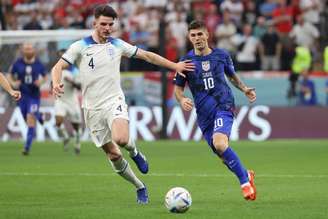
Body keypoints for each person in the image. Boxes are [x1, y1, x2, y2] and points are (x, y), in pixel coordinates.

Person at [51, 5, 194, 204]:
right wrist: (56, 81)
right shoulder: (80, 46)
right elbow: (58, 67)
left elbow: (148, 56)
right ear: (94, 24)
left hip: (114, 101)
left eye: (111, 24)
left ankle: (135, 152)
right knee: (113, 154)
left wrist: (175, 66)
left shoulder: (117, 45)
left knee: (121, 138)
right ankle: (140, 186)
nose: (107, 28)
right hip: (92, 109)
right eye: (103, 24)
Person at [173, 20, 257, 201]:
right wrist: (182, 99)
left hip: (223, 105)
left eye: (200, 34)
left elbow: (232, 76)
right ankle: (246, 174)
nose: (197, 38)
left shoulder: (221, 55)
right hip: (204, 114)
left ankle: (244, 183)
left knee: (220, 143)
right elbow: (178, 90)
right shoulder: (185, 62)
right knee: (221, 153)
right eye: (193, 35)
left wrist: (244, 89)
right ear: (189, 37)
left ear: (207, 35)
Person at [8, 43, 47, 155]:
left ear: (34, 50)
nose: (28, 51)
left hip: (34, 96)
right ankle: (39, 115)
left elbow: (45, 76)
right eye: (26, 49)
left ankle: (27, 147)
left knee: (30, 118)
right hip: (22, 96)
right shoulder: (18, 63)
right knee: (27, 118)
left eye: (30, 49)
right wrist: (13, 83)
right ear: (23, 51)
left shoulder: (38, 64)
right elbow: (9, 75)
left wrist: (41, 82)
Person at [53, 49, 82, 154]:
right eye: (60, 57)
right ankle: (65, 137)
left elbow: (80, 87)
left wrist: (72, 82)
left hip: (72, 101)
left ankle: (78, 142)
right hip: (60, 100)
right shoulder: (56, 70)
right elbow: (51, 85)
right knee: (58, 122)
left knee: (76, 126)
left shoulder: (75, 72)